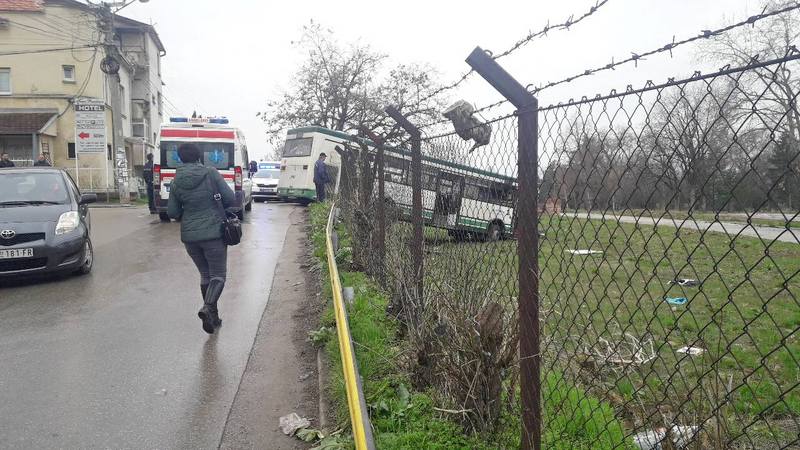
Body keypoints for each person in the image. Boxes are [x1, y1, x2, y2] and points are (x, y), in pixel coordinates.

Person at [167, 143, 236, 334]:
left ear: (180, 158)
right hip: (214, 233)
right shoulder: (210, 173)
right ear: (199, 157)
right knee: (218, 276)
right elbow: (230, 199)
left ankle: (213, 318)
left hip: (190, 237)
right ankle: (207, 308)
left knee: (206, 275)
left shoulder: (176, 180)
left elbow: (172, 212)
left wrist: (188, 211)